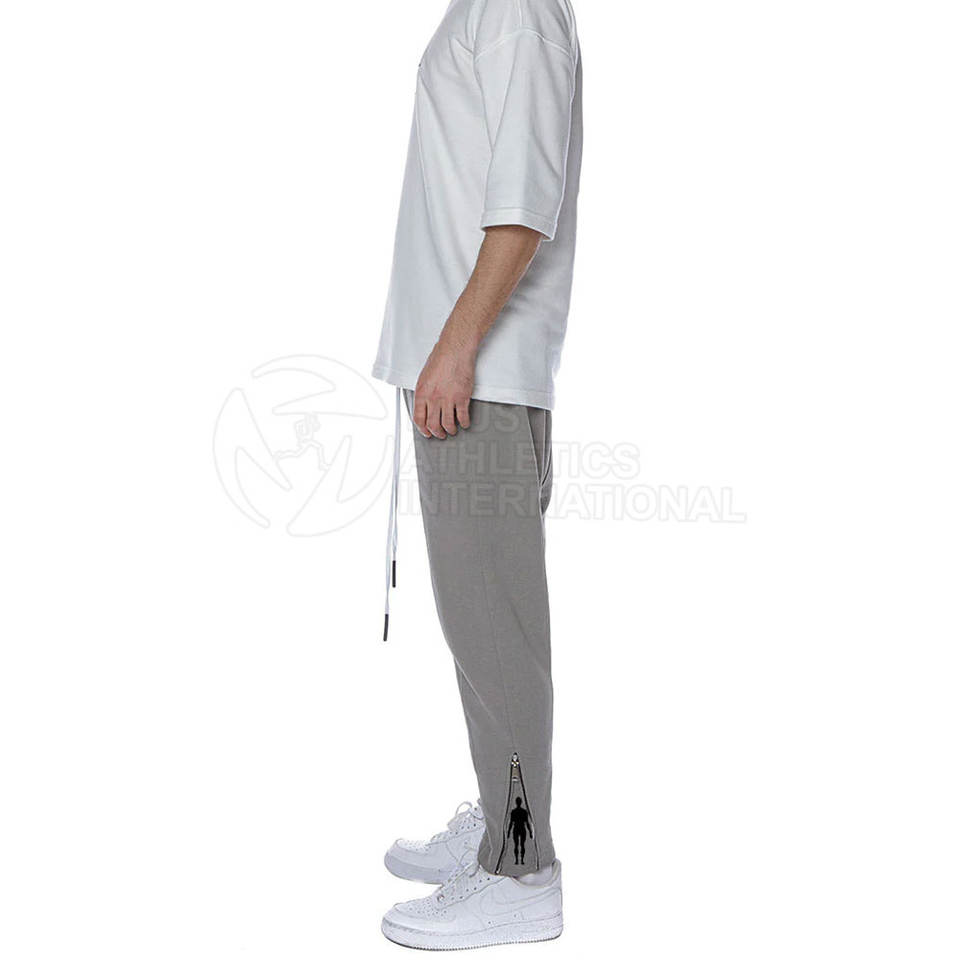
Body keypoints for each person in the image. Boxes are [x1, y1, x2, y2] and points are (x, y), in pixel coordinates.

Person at [372, 0, 582, 949]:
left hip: (479, 375)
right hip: (462, 369)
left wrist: (455, 351)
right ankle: (503, 819)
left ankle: (521, 866)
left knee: (497, 632)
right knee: (477, 625)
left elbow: (523, 207)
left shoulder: (518, 10)